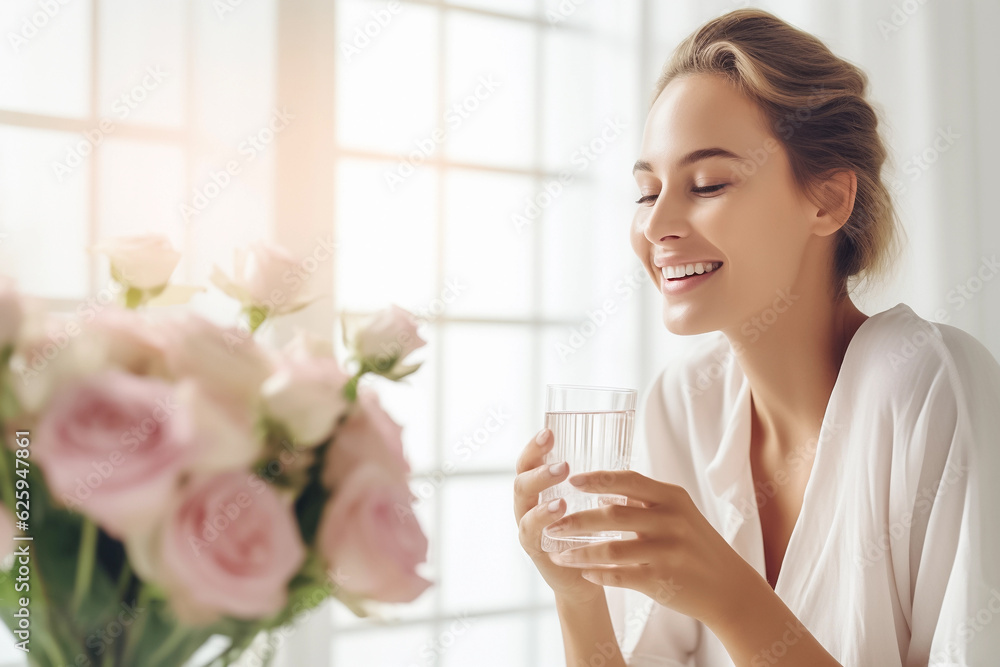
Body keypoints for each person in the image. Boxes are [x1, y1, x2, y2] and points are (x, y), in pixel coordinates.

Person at [512, 8, 1000, 666]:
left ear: (828, 200)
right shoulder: (684, 404)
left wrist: (732, 598)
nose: (657, 225)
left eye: (708, 184)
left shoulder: (930, 384)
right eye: (647, 192)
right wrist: (578, 595)